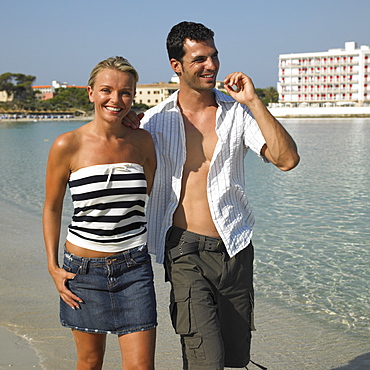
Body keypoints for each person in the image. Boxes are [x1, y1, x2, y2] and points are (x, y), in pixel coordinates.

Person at [125, 21, 300, 370]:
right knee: (206, 360)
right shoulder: (154, 122)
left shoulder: (238, 113)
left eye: (214, 57)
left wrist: (253, 100)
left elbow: (287, 160)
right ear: (176, 66)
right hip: (184, 251)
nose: (212, 66)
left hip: (235, 246)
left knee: (235, 359)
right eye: (200, 59)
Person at [43, 56, 157, 370]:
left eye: (125, 93)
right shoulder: (67, 144)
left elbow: (147, 196)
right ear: (91, 92)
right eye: (106, 90)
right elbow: (52, 207)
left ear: (133, 97)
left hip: (134, 269)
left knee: (140, 367)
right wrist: (52, 266)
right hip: (83, 272)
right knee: (91, 362)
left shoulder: (142, 141)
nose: (115, 99)